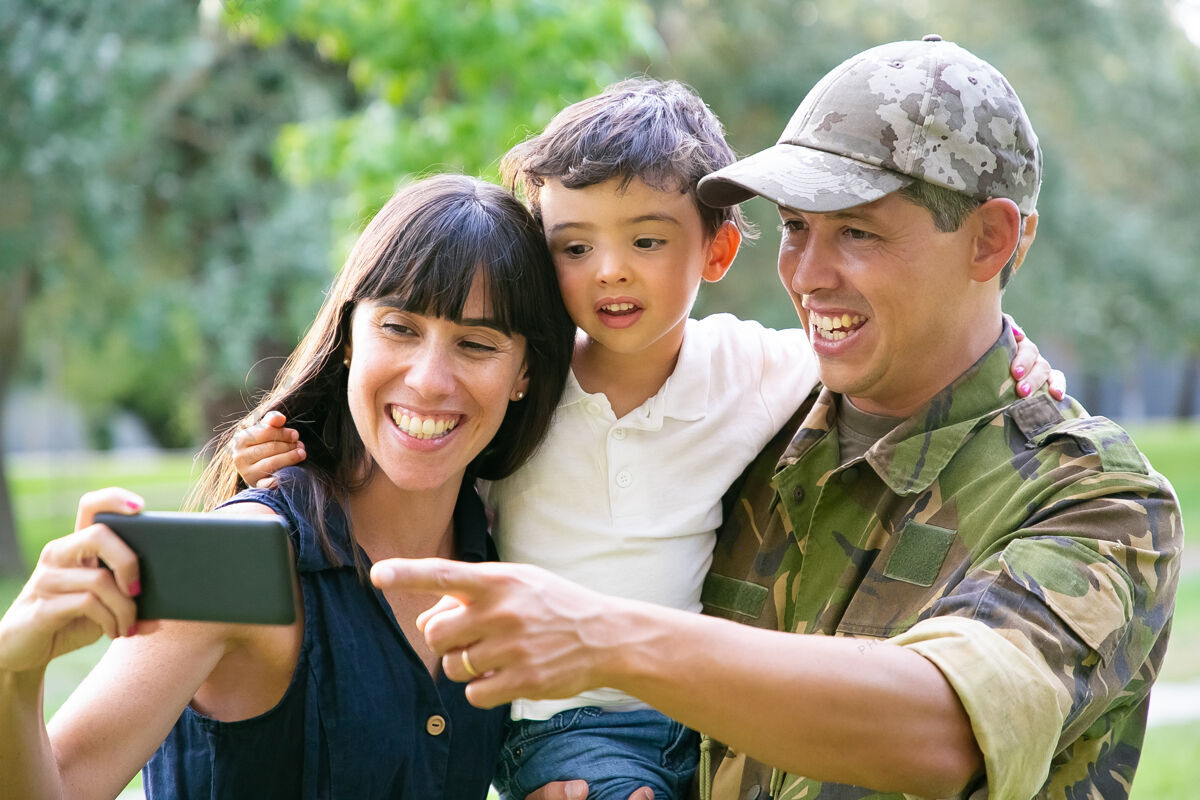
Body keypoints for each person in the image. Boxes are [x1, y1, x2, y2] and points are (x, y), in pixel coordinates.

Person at [370, 37, 1183, 800]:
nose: (807, 275)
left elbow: (946, 728)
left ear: (990, 241)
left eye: (857, 232)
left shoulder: (1098, 500)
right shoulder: (761, 425)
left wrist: (605, 638)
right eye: (796, 228)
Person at [233, 79, 1061, 799]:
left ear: (719, 247)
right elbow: (414, 447)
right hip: (564, 719)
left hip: (702, 709)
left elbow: (901, 336)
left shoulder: (752, 367)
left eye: (648, 240)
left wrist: (1017, 353)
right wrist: (289, 457)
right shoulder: (521, 386)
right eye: (575, 246)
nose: (610, 271)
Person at [0, 174, 576, 800]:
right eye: (399, 328)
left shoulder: (504, 561)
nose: (430, 380)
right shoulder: (239, 559)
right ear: (349, 337)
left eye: (476, 343)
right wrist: (15, 670)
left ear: (524, 373)